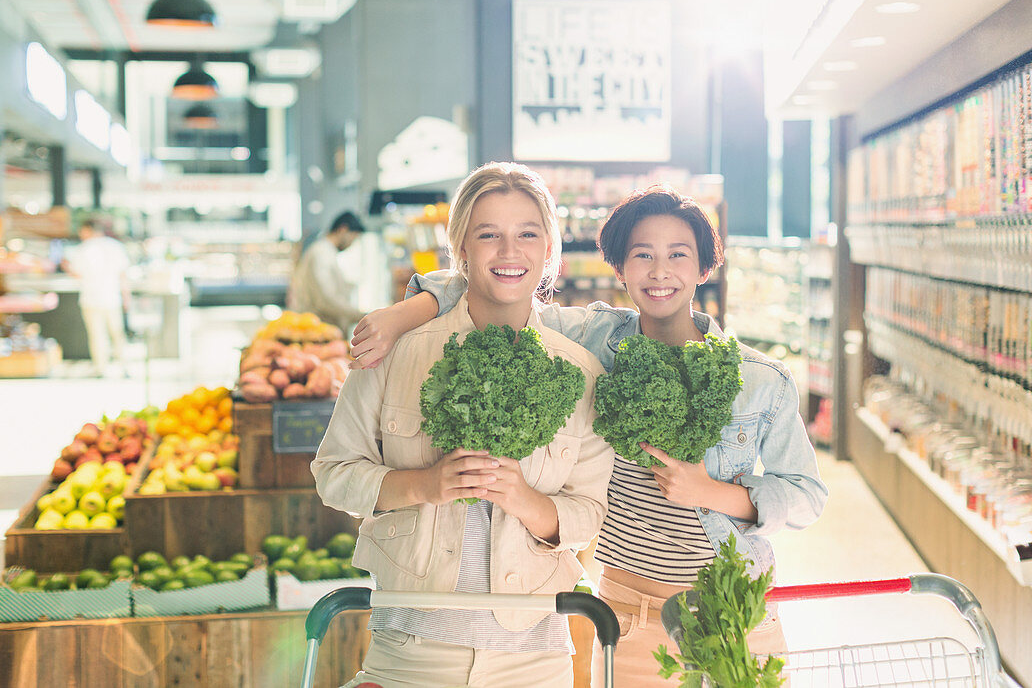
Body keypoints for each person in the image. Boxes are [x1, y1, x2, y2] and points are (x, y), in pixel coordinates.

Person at [352, 186, 828, 686]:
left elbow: (807, 496)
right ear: (619, 269)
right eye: (642, 255)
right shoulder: (594, 338)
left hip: (734, 611)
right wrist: (402, 315)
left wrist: (711, 492)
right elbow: (494, 285)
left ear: (705, 269)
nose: (660, 272)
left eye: (678, 256)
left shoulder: (759, 379)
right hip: (623, 613)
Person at [311, 162, 614, 688]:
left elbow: (588, 516)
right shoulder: (398, 351)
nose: (509, 252)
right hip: (409, 651)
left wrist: (522, 498)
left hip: (534, 660)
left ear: (549, 250)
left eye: (527, 234)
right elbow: (333, 473)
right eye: (488, 234)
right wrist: (423, 484)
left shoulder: (581, 373)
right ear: (462, 249)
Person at [64, 217, 131, 377]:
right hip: (112, 297)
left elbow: (77, 273)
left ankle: (101, 368)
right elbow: (123, 275)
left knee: (97, 335)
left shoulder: (82, 249)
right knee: (117, 333)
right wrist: (126, 297)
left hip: (91, 298)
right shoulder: (115, 247)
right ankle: (124, 367)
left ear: (87, 230)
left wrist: (66, 267)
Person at [288, 211, 367, 333]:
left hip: (321, 329)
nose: (352, 244)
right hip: (318, 331)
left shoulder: (325, 251)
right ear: (343, 229)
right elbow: (327, 299)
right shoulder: (321, 253)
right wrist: (361, 316)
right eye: (353, 237)